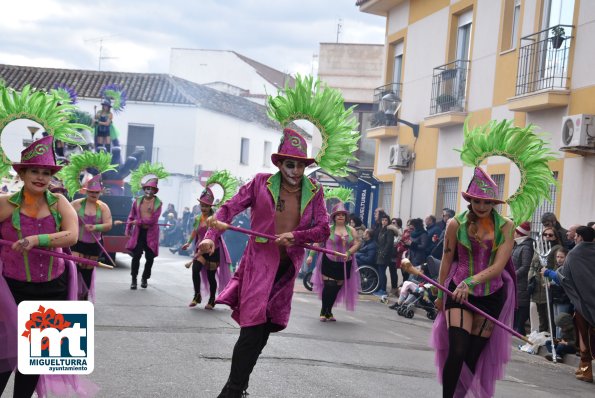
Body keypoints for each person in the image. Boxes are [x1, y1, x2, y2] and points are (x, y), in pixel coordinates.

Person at [199, 128, 330, 398]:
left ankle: (239, 386)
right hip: (258, 264)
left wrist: (296, 236)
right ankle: (232, 391)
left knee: (264, 330)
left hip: (286, 269)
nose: (295, 170)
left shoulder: (315, 192)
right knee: (252, 327)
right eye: (290, 164)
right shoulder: (260, 183)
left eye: (301, 165)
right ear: (279, 164)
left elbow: (324, 229)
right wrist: (211, 237)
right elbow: (228, 210)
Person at [0, 136, 85, 397]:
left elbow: (72, 236)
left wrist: (37, 240)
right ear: (22, 173)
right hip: (11, 290)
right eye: (34, 171)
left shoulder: (60, 203)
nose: (40, 177)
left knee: (34, 361)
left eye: (46, 172)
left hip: (52, 288)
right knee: (2, 357)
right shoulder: (5, 203)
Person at [430, 167, 516, 398]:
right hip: (458, 292)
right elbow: (447, 259)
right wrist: (440, 295)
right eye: (477, 201)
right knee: (457, 350)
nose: (481, 206)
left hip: (491, 294)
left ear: (494, 203)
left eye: (486, 202)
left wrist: (470, 281)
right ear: (470, 199)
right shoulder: (455, 224)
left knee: (472, 355)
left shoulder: (506, 226)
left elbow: (498, 267)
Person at [552, 226, 595, 382]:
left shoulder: (574, 254)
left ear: (581, 238)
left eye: (576, 236)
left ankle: (586, 371)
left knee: (584, 340)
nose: (574, 238)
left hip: (583, 304)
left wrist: (556, 273)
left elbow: (565, 277)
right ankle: (582, 370)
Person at [309, 201, 361, 321]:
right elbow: (318, 242)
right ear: (334, 217)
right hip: (329, 260)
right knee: (329, 286)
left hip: (345, 263)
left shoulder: (351, 230)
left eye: (343, 214)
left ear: (346, 217)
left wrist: (348, 252)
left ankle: (329, 311)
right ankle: (324, 311)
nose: (340, 216)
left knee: (336, 288)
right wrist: (310, 256)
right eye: (338, 214)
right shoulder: (328, 229)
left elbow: (357, 243)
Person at [182, 186, 232, 309]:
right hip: (201, 250)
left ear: (210, 207)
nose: (203, 208)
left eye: (206, 206)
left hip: (213, 250)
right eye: (202, 205)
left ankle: (212, 299)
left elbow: (220, 231)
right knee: (195, 270)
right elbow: (195, 231)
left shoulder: (216, 218)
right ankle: (197, 295)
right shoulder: (197, 218)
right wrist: (188, 242)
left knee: (211, 276)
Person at [70, 174, 113, 301]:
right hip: (77, 242)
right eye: (91, 192)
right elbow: (64, 218)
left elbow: (108, 225)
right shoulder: (76, 204)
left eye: (96, 192)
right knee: (75, 268)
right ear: (86, 191)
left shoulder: (103, 207)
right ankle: (72, 295)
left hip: (94, 244)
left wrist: (95, 228)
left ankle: (83, 297)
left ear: (100, 193)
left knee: (86, 272)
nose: (94, 195)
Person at [125, 176, 164, 290]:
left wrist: (140, 221)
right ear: (144, 189)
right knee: (136, 256)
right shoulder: (137, 201)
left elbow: (153, 219)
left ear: (155, 191)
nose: (149, 191)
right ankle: (134, 279)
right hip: (138, 232)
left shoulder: (158, 203)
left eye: (152, 189)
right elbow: (131, 216)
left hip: (151, 233)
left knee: (150, 258)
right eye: (147, 189)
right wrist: (128, 227)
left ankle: (145, 278)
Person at [528, 226, 560, 333]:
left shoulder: (557, 249)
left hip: (549, 285)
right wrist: (530, 278)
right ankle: (542, 334)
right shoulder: (539, 248)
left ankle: (551, 337)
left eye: (550, 235)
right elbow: (532, 265)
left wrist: (550, 281)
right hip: (537, 285)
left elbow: (557, 267)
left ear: (555, 237)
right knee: (540, 313)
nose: (547, 237)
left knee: (549, 313)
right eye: (545, 234)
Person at [511, 221, 534, 336]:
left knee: (521, 306)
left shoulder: (526, 248)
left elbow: (526, 266)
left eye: (515, 231)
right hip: (517, 282)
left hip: (522, 283)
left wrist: (513, 275)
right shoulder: (519, 245)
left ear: (519, 233)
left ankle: (519, 330)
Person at [374, 213, 394, 296]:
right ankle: (380, 288)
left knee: (382, 272)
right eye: (383, 220)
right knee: (380, 272)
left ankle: (383, 290)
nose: (384, 222)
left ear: (388, 221)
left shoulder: (389, 230)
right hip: (379, 253)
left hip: (384, 255)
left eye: (386, 220)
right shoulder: (381, 229)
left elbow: (389, 244)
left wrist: (384, 253)